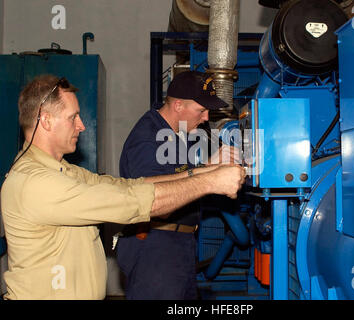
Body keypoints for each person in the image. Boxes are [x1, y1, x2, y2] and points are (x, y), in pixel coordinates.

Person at [0, 74, 245, 300]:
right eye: (73, 117)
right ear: (46, 120)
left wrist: (205, 171)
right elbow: (136, 201)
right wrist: (211, 181)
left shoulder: (65, 171)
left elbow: (128, 186)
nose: (82, 126)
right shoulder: (38, 183)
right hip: (156, 253)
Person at [117, 70, 240, 300]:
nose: (205, 118)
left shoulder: (173, 134)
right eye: (201, 110)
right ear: (178, 106)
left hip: (177, 245)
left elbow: (178, 176)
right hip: (156, 248)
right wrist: (210, 176)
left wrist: (209, 166)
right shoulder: (148, 138)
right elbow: (153, 196)